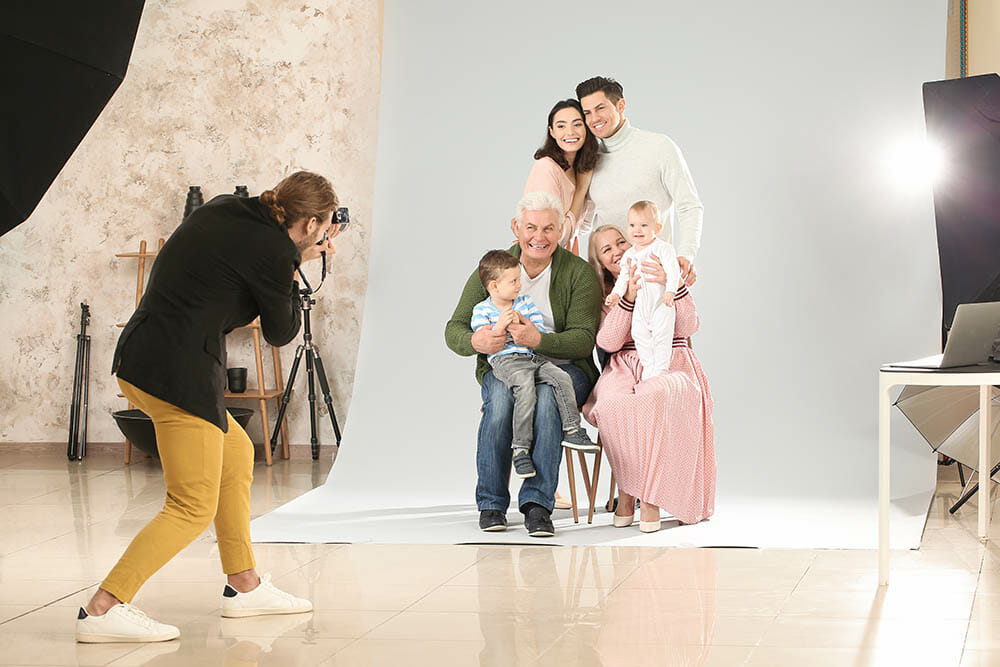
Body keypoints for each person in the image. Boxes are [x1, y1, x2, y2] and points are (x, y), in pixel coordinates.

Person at [76, 171, 341, 643]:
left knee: (236, 454)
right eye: (321, 227)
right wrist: (298, 259)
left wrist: (294, 253)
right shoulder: (277, 249)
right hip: (177, 376)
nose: (323, 233)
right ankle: (103, 609)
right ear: (310, 223)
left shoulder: (223, 206)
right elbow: (282, 333)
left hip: (142, 358)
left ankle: (244, 585)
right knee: (190, 505)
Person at [445, 192, 602, 538]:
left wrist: (538, 340)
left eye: (549, 228)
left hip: (563, 369)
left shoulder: (579, 274)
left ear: (561, 229)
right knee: (500, 404)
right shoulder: (494, 269)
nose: (539, 236)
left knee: (546, 401)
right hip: (506, 365)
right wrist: (476, 342)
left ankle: (536, 505)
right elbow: (454, 328)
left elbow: (584, 339)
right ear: (516, 227)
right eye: (531, 227)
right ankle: (491, 503)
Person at [583, 224, 715, 532]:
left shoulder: (663, 269)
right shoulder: (606, 294)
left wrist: (675, 286)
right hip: (624, 363)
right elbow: (609, 342)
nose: (616, 251)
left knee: (651, 398)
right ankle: (626, 494)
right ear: (601, 262)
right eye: (606, 249)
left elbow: (688, 326)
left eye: (620, 242)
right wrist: (627, 298)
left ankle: (649, 498)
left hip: (672, 359)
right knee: (613, 405)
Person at [472, 250, 598, 480]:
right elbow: (485, 339)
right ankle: (520, 449)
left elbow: (538, 332)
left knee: (560, 377)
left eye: (519, 279)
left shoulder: (525, 303)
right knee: (526, 388)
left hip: (532, 357)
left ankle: (573, 430)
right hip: (506, 361)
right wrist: (500, 326)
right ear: (494, 286)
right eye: (513, 282)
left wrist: (526, 326)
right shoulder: (482, 309)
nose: (519, 285)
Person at [576, 76, 703, 285]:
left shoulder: (658, 147)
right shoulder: (589, 159)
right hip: (611, 283)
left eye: (601, 108)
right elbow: (584, 224)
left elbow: (689, 205)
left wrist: (686, 255)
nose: (594, 118)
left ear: (621, 105)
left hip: (655, 275)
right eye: (587, 113)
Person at [605, 201, 681, 381]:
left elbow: (673, 271)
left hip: (661, 302)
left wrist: (670, 290)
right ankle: (649, 368)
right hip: (641, 304)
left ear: (658, 227)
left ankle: (661, 369)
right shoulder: (630, 254)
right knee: (639, 333)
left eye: (644, 225)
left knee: (662, 334)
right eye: (632, 225)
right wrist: (616, 294)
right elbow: (623, 277)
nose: (637, 230)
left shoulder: (663, 248)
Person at [523, 99, 599, 252]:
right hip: (543, 262)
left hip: (566, 259)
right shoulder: (547, 168)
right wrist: (581, 190)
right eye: (561, 126)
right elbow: (553, 237)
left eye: (577, 124)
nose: (570, 132)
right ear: (552, 131)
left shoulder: (579, 170)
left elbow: (582, 227)